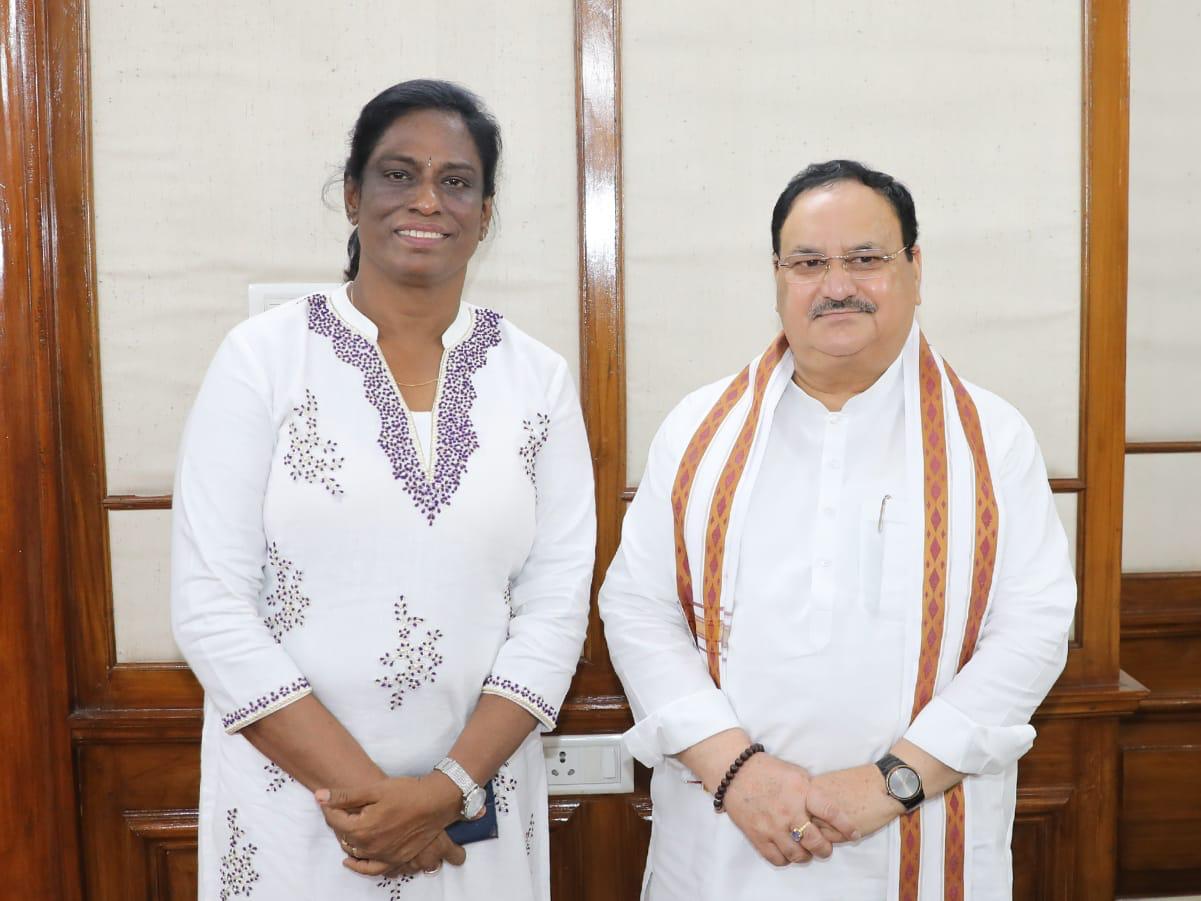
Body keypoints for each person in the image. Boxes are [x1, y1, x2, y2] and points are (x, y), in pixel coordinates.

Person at [599, 159, 1076, 900]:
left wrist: (895, 779)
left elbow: (1035, 626)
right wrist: (735, 769)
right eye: (809, 262)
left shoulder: (992, 438)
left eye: (866, 259)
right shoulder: (696, 430)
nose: (837, 284)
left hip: (918, 825)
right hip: (727, 831)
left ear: (914, 269)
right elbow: (637, 607)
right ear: (777, 276)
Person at [171, 79, 595, 900]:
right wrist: (372, 805)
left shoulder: (537, 379)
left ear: (486, 209)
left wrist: (442, 793)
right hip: (299, 804)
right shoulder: (262, 359)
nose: (428, 199)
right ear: (354, 194)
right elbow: (209, 603)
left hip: (475, 808)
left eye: (457, 180)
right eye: (399, 174)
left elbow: (556, 603)